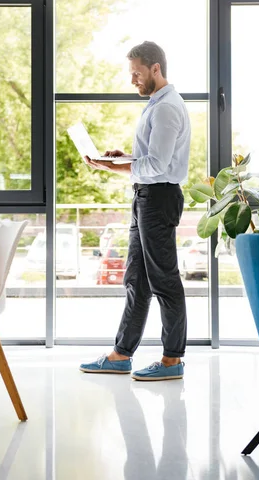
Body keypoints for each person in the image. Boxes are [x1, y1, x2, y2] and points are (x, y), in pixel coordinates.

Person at [79, 41, 191, 381]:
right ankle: (121, 354)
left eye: (137, 73)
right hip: (145, 198)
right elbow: (149, 158)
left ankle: (173, 360)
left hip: (158, 200)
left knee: (164, 281)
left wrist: (114, 167)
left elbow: (157, 165)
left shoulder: (167, 108)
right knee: (136, 280)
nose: (133, 81)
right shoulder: (156, 105)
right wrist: (120, 159)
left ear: (155, 69)